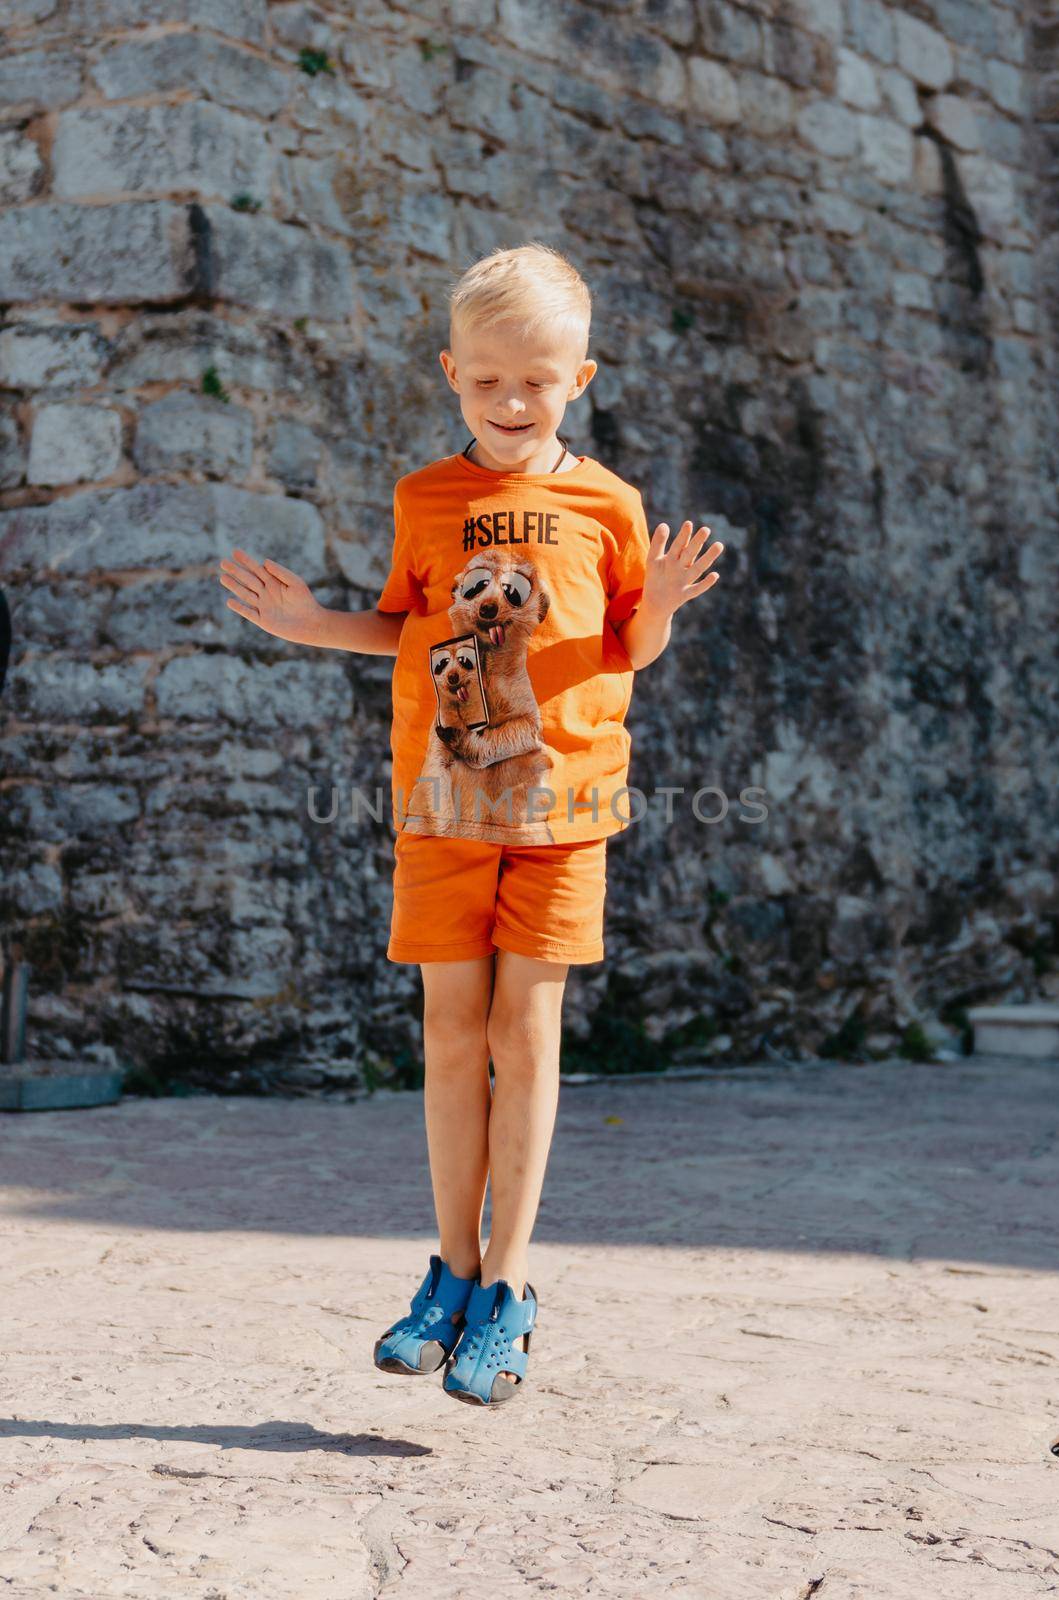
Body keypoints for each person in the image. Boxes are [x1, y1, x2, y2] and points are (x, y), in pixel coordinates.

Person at [218, 242, 723, 1406]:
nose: (511, 403)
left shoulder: (609, 504)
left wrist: (668, 617)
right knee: (452, 1034)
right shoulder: (424, 498)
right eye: (487, 379)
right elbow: (405, 627)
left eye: (537, 382)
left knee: (525, 1034)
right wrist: (309, 624)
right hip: (441, 802)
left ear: (581, 377)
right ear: (451, 371)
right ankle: (447, 1274)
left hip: (563, 805)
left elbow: (624, 644)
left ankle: (511, 1290)